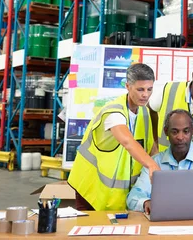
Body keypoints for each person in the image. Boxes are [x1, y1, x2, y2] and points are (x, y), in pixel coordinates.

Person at [68, 63, 161, 211]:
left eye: (149, 89)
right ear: (127, 86)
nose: (145, 94)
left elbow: (151, 148)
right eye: (140, 89)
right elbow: (128, 142)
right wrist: (151, 165)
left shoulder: (144, 113)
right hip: (92, 188)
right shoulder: (114, 112)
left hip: (117, 195)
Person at [126, 109, 193, 212]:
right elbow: (133, 197)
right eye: (175, 132)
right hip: (165, 224)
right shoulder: (154, 163)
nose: (180, 137)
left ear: (192, 131)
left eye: (186, 131)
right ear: (166, 132)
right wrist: (145, 203)